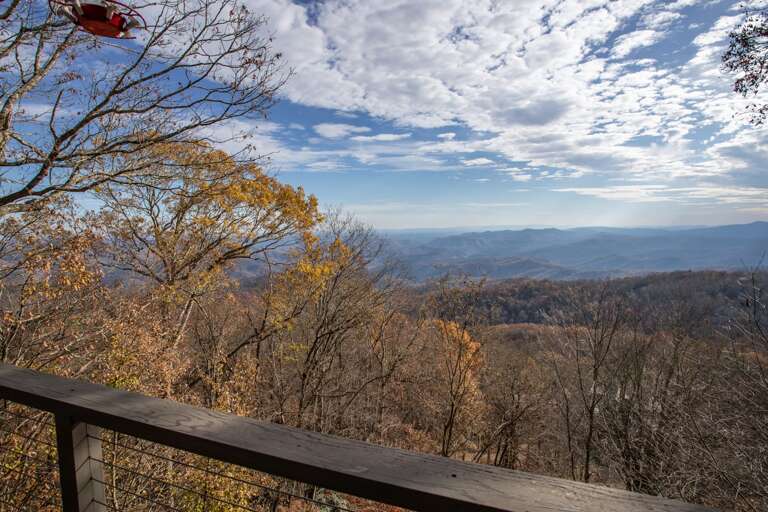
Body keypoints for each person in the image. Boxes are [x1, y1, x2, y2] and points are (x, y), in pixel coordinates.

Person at [52, 0, 142, 38]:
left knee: (80, 21)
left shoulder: (117, 32)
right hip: (96, 14)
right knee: (82, 20)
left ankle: (70, 7)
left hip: (88, 17)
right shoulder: (117, 32)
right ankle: (72, 5)